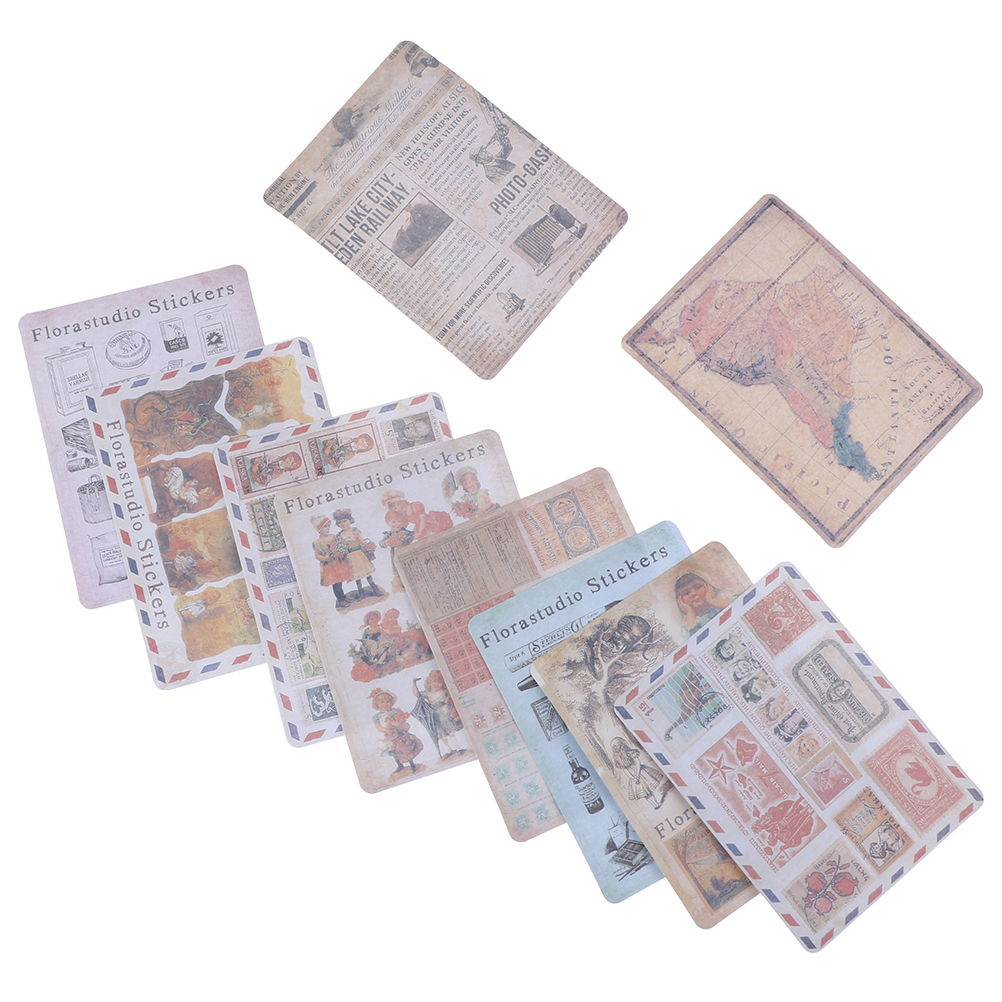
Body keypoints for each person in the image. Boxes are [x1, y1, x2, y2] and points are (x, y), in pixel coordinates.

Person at [410, 670, 466, 759]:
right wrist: (414, 683)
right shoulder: (428, 693)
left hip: (445, 715)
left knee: (451, 733)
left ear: (443, 683)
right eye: (434, 681)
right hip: (435, 718)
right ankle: (449, 750)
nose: (436, 684)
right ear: (429, 682)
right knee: (443, 736)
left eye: (439, 682)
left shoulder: (445, 691)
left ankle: (458, 748)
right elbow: (416, 694)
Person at [370, 689, 422, 775]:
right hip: (389, 735)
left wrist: (396, 722)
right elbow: (378, 727)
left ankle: (412, 764)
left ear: (391, 703)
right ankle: (400, 765)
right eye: (382, 702)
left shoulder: (395, 711)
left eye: (387, 702)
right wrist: (386, 730)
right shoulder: (376, 716)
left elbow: (400, 722)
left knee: (405, 748)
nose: (385, 704)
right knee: (393, 751)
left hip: (400, 733)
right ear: (377, 704)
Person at [333, 509, 381, 601]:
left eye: (344, 521)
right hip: (350, 557)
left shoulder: (355, 530)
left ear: (350, 520)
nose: (343, 524)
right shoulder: (339, 535)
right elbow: (340, 547)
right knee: (357, 576)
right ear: (337, 524)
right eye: (340, 522)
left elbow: (363, 542)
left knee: (367, 574)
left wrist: (362, 541)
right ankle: (361, 592)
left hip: (359, 555)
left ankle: (375, 589)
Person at [610, 736, 668, 809]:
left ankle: (655, 804)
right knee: (646, 792)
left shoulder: (625, 756)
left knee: (646, 793)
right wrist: (636, 776)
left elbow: (628, 769)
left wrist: (634, 777)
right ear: (623, 745)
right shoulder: (629, 753)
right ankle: (655, 804)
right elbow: (637, 763)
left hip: (636, 775)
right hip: (639, 773)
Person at [675, 572, 732, 636]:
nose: (693, 593)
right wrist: (690, 612)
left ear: (709, 586)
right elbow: (688, 635)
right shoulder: (692, 620)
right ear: (680, 601)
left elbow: (734, 606)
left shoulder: (719, 604)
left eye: (698, 587)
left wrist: (712, 600)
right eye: (686, 593)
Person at [311, 515, 350, 607]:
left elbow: (339, 545)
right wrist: (325, 558)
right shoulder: (318, 542)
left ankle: (343, 597)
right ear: (319, 529)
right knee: (335, 583)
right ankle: (340, 600)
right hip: (329, 566)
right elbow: (317, 555)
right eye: (325, 527)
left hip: (338, 563)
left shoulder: (333, 537)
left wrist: (341, 552)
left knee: (340, 582)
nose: (328, 528)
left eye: (328, 526)